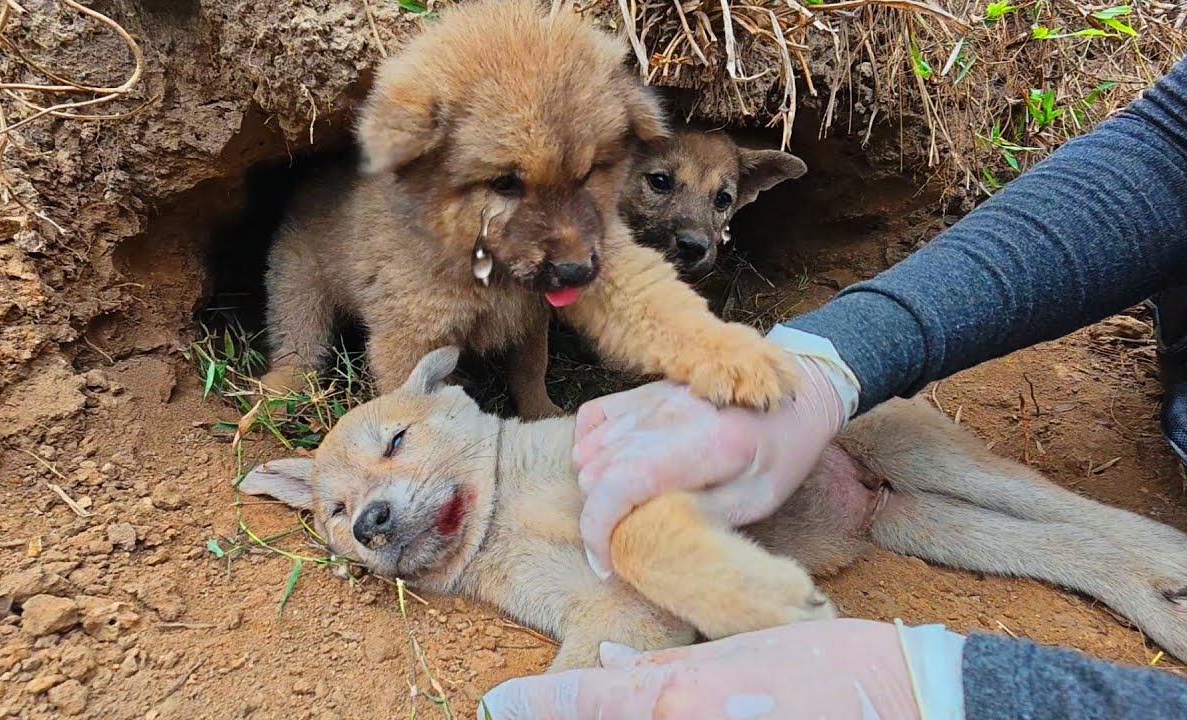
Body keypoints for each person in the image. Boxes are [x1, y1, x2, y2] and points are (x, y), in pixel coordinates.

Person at [477, 53, 1187, 719]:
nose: (697, 230)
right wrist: (831, 363)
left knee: (1018, 504)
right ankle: (1137, 564)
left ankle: (1146, 561)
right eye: (661, 183)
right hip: (822, 503)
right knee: (979, 516)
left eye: (721, 202)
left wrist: (945, 687)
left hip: (832, 502)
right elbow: (1166, 150)